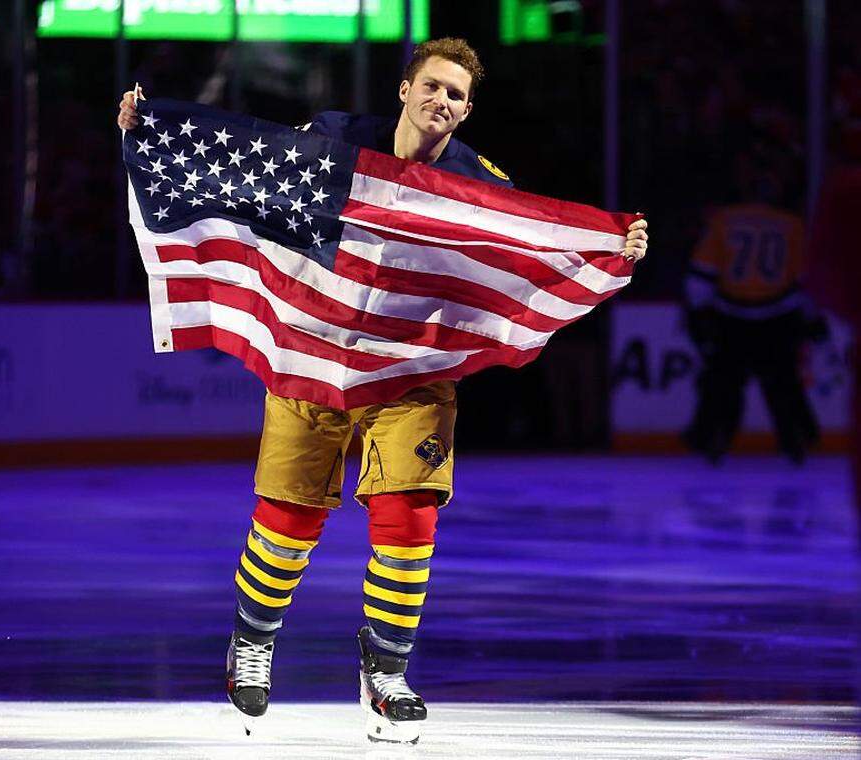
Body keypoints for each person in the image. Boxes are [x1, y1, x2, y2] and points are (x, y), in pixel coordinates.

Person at [117, 37, 649, 744]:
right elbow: (248, 178)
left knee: (410, 512)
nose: (442, 101)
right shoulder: (336, 139)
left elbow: (531, 251)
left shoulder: (481, 184)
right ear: (405, 90)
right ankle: (252, 645)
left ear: (465, 111)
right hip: (311, 354)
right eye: (433, 86)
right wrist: (150, 131)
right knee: (287, 520)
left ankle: (388, 669)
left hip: (411, 374)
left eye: (456, 95)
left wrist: (611, 250)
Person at [681, 160, 825, 464]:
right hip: (778, 313)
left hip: (732, 313)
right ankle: (796, 439)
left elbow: (701, 275)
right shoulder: (793, 224)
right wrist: (811, 316)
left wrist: (698, 314)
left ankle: (713, 438)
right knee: (784, 384)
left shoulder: (724, 220)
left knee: (723, 384)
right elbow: (807, 280)